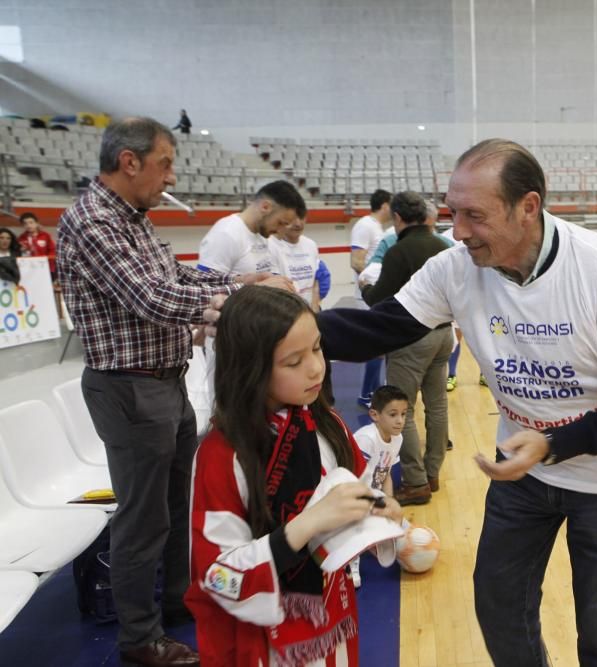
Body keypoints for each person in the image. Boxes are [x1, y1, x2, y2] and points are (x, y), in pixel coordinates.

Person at [204, 139, 597, 664]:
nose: (461, 230)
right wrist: (273, 327)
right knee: (499, 605)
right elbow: (379, 328)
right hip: (522, 474)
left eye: (475, 215)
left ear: (528, 207)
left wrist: (552, 442)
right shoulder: (457, 266)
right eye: (454, 212)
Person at [56, 116, 277, 667]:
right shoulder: (92, 222)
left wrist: (238, 285)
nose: (171, 176)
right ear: (129, 162)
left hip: (164, 382)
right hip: (129, 390)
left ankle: (178, 601)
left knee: (178, 505)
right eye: (165, 163)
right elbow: (153, 298)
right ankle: (139, 639)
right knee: (142, 517)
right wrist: (240, 298)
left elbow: (176, 278)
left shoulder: (132, 219)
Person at [187, 285, 402, 667]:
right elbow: (217, 575)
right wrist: (304, 528)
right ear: (250, 368)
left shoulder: (325, 421)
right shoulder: (221, 456)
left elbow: (357, 489)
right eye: (293, 361)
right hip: (264, 641)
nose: (317, 367)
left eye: (318, 348)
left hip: (331, 612)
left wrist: (378, 510)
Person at [360, 190, 452, 506]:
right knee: (437, 405)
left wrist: (365, 286)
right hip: (444, 335)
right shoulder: (443, 246)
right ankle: (432, 474)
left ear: (398, 218)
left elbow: (379, 299)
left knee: (404, 409)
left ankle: (415, 483)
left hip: (413, 338)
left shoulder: (400, 252)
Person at [350, 383, 409, 587]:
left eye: (403, 414)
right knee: (354, 520)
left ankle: (374, 539)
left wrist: (390, 502)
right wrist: (376, 504)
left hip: (373, 494)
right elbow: (353, 479)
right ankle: (351, 560)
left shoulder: (397, 438)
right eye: (393, 414)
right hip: (352, 493)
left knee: (404, 527)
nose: (400, 420)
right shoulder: (367, 439)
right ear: (375, 415)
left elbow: (386, 475)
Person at [198, 180, 306, 276]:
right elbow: (205, 288)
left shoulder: (263, 233)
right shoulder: (225, 235)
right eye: (280, 223)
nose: (279, 230)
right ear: (265, 207)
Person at [352, 189, 391, 407]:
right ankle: (367, 394)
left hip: (376, 295)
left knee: (381, 348)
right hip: (367, 295)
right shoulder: (365, 225)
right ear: (385, 205)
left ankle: (373, 391)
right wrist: (371, 282)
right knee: (376, 347)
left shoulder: (377, 228)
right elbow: (356, 261)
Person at [268, 211, 321, 311]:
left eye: (301, 218)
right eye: (292, 219)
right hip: (284, 312)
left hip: (308, 312)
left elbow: (315, 283)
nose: (298, 224)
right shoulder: (270, 245)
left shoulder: (311, 244)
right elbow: (274, 289)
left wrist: (315, 311)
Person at [17, 211, 56, 280]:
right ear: (22, 225)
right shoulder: (21, 238)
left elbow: (52, 251)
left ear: (36, 223)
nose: (28, 225)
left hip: (45, 268)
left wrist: (49, 266)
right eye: (25, 223)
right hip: (29, 270)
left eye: (31, 222)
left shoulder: (45, 236)